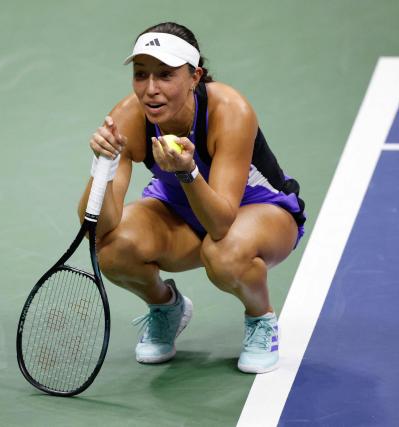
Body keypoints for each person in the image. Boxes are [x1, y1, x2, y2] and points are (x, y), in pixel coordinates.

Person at [78, 22, 306, 373]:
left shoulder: (229, 110)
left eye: (165, 75)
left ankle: (261, 319)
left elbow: (220, 223)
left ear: (194, 76)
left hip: (259, 212)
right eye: (141, 75)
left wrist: (187, 172)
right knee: (112, 249)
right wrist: (103, 165)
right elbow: (97, 228)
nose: (150, 89)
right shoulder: (127, 117)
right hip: (180, 214)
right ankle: (166, 307)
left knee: (225, 252)